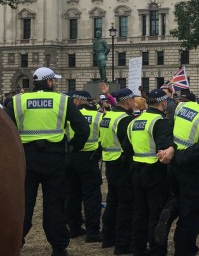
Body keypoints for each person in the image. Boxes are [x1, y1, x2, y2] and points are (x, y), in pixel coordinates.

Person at [4, 67, 90, 256]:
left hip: (26, 159)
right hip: (55, 158)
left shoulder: (18, 101)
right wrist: (71, 147)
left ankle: (16, 242)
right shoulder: (62, 100)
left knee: (24, 203)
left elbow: (7, 130)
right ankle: (58, 246)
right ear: (49, 82)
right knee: (55, 204)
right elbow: (83, 129)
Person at [156, 78, 199, 255]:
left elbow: (171, 131)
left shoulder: (183, 106)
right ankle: (184, 250)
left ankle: (169, 211)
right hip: (192, 169)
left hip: (173, 165)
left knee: (178, 198)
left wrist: (170, 151)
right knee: (191, 214)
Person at [126, 89, 176, 255]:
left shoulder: (135, 121)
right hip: (155, 172)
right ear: (162, 103)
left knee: (139, 213)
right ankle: (156, 250)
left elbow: (127, 147)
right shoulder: (160, 121)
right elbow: (165, 147)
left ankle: (138, 248)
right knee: (156, 215)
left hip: (137, 170)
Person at [99, 88, 136, 254]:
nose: (135, 104)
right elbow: (129, 145)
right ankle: (123, 244)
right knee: (125, 205)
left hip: (110, 162)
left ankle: (108, 237)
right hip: (122, 165)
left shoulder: (108, 116)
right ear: (127, 101)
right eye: (133, 101)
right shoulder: (125, 119)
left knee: (113, 202)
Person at [65, 90, 104, 243]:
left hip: (70, 156)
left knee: (72, 194)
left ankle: (74, 228)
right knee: (92, 196)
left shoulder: (69, 117)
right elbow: (103, 137)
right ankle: (92, 231)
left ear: (77, 101)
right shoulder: (98, 116)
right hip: (89, 159)